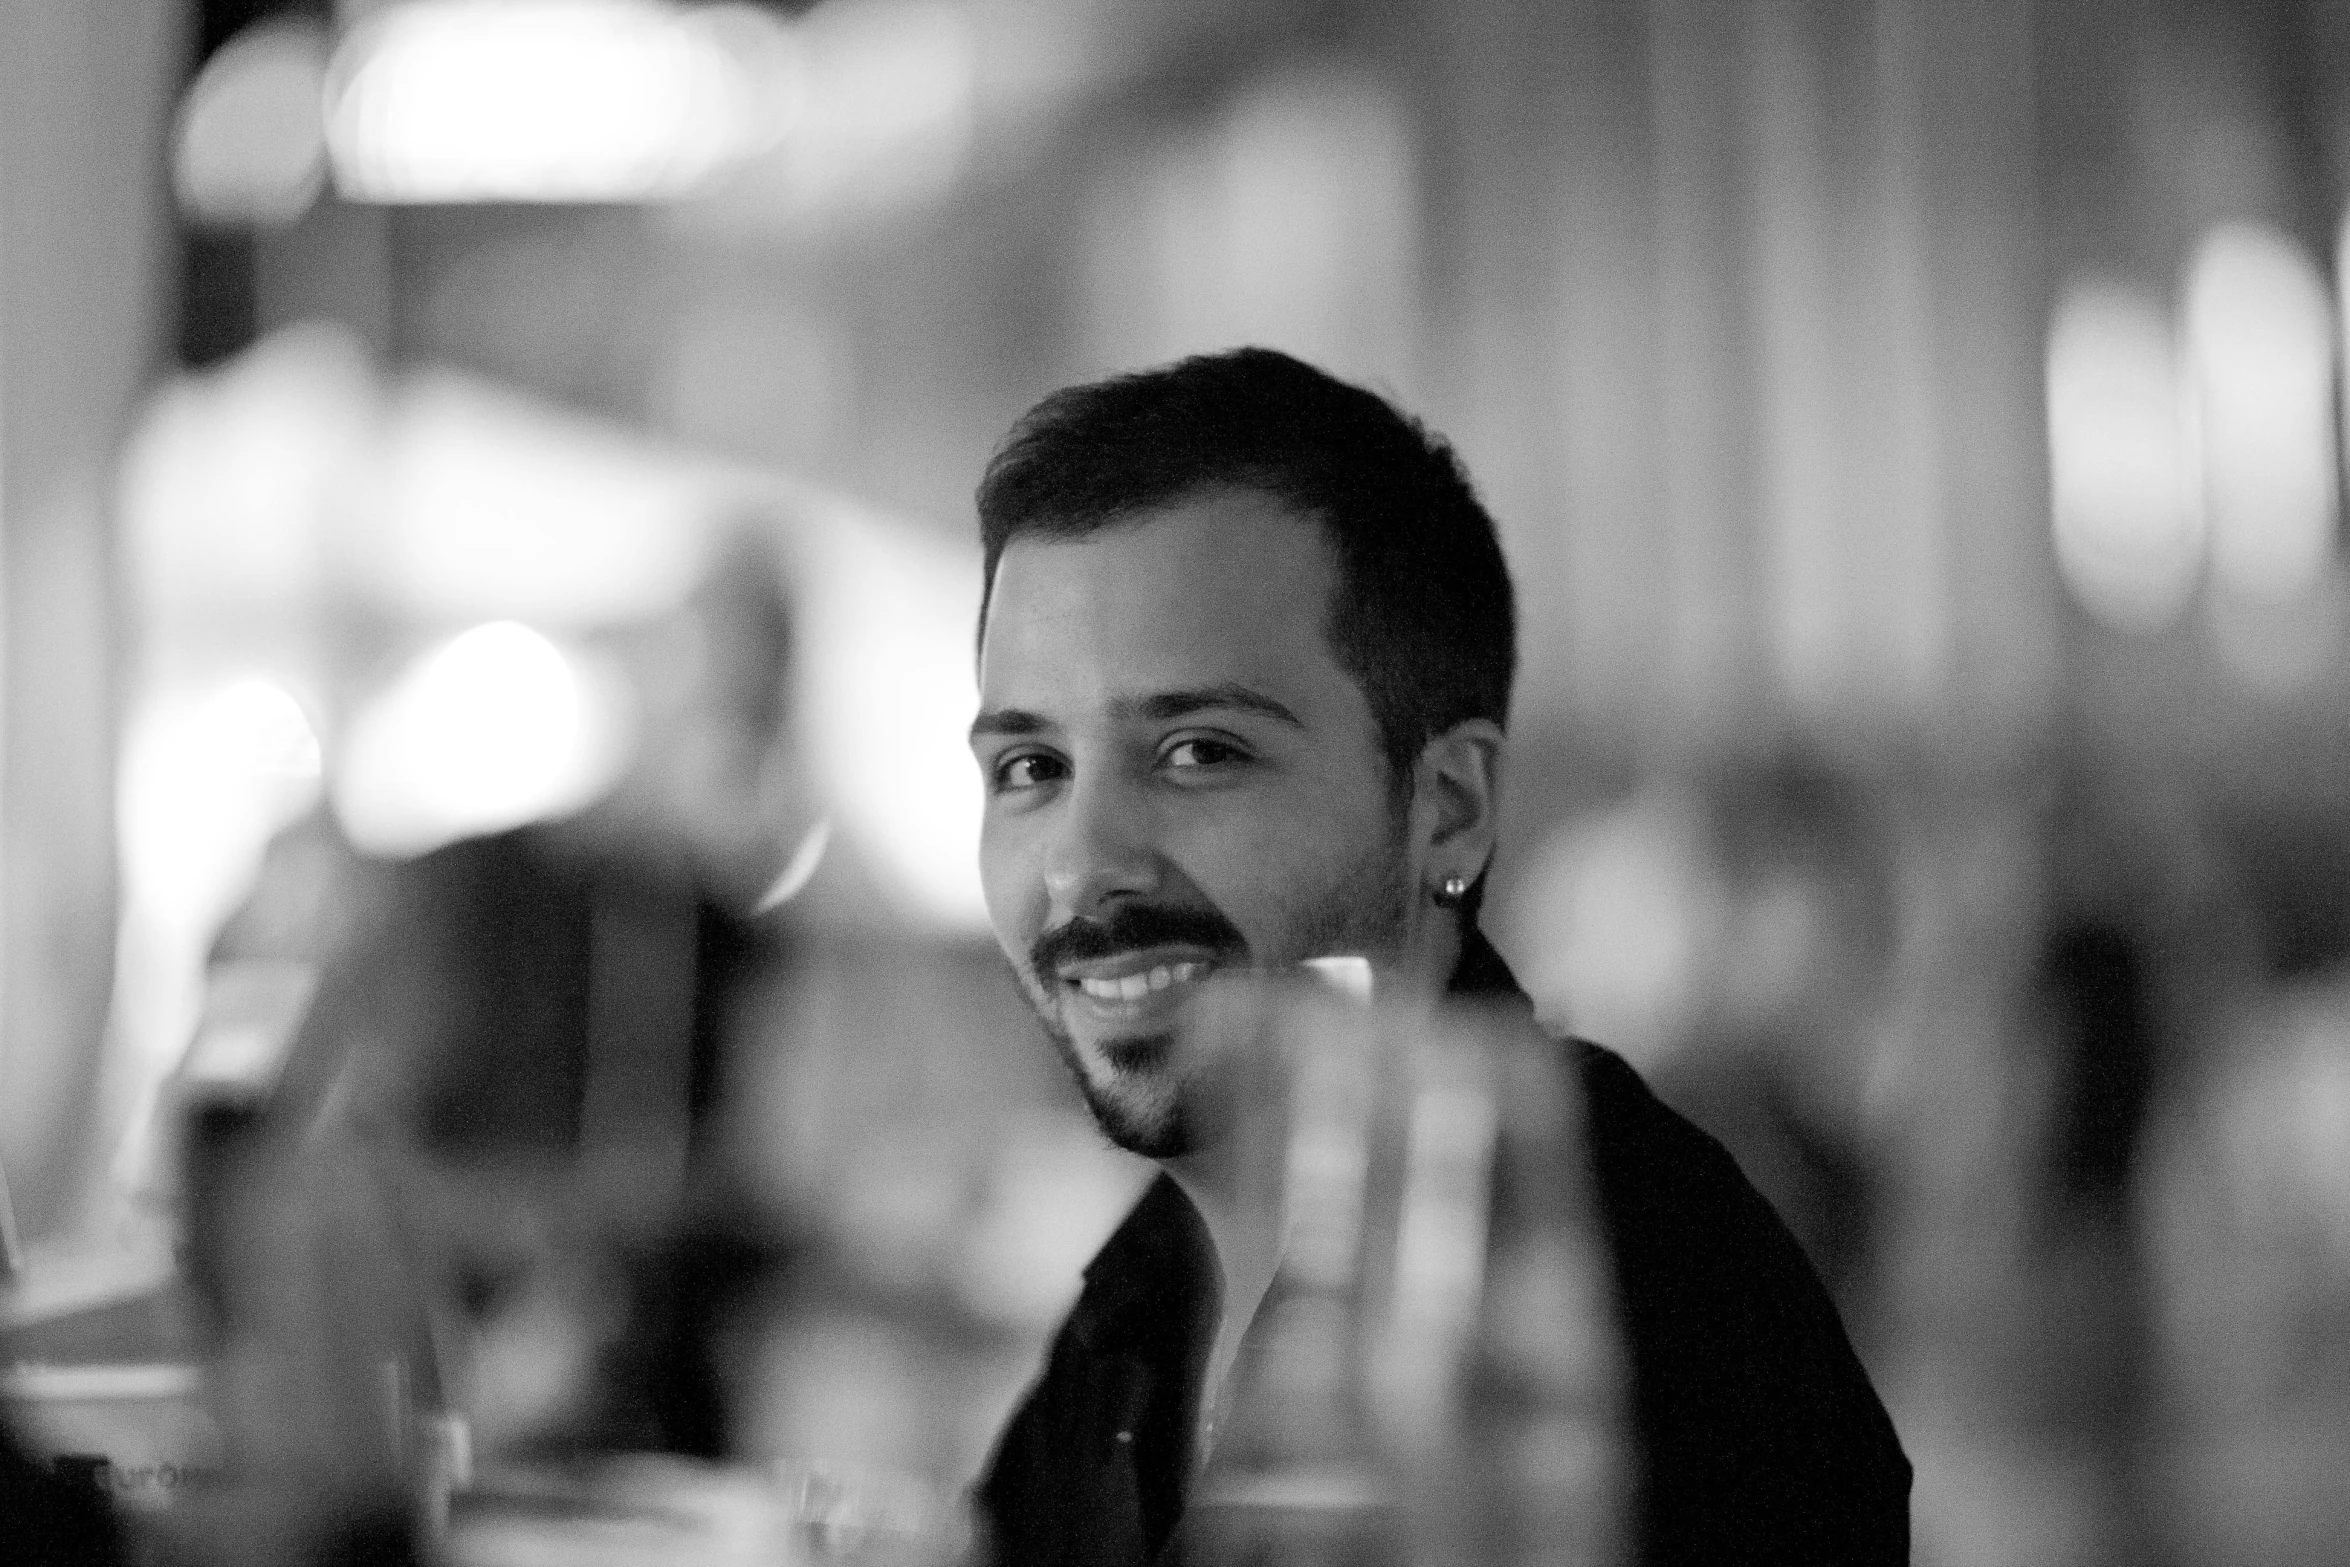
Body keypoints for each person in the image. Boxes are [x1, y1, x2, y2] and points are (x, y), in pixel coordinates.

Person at [964, 348, 1910, 1565]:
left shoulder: (1631, 1308)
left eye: (1200, 750)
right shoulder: (1125, 1325)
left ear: (1449, 806)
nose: (1080, 864)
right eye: (1030, 768)